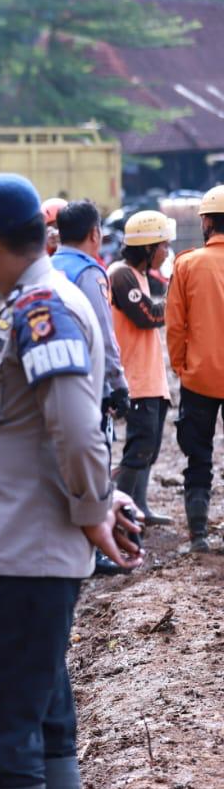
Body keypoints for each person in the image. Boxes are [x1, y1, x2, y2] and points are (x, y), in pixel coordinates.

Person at [0, 173, 142, 789]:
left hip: (21, 557)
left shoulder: (43, 309)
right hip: (23, 550)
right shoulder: (36, 301)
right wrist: (101, 497)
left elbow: (77, 426)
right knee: (44, 719)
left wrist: (92, 510)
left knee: (4, 730)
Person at [53, 200, 132, 576]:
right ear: (95, 234)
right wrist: (118, 385)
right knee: (98, 461)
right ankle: (95, 546)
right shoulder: (90, 273)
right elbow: (104, 334)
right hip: (89, 384)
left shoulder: (49, 269)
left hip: (53, 385)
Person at [167, 185, 224, 553]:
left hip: (200, 379)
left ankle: (199, 536)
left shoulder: (186, 264)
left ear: (204, 221)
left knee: (198, 456)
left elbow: (175, 326)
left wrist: (181, 368)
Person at [109, 211, 174, 527]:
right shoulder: (121, 275)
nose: (166, 252)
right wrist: (179, 289)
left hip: (150, 377)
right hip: (134, 378)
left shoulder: (141, 277)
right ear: (148, 248)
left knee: (150, 448)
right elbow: (148, 316)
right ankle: (122, 514)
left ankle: (141, 506)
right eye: (163, 246)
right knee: (139, 447)